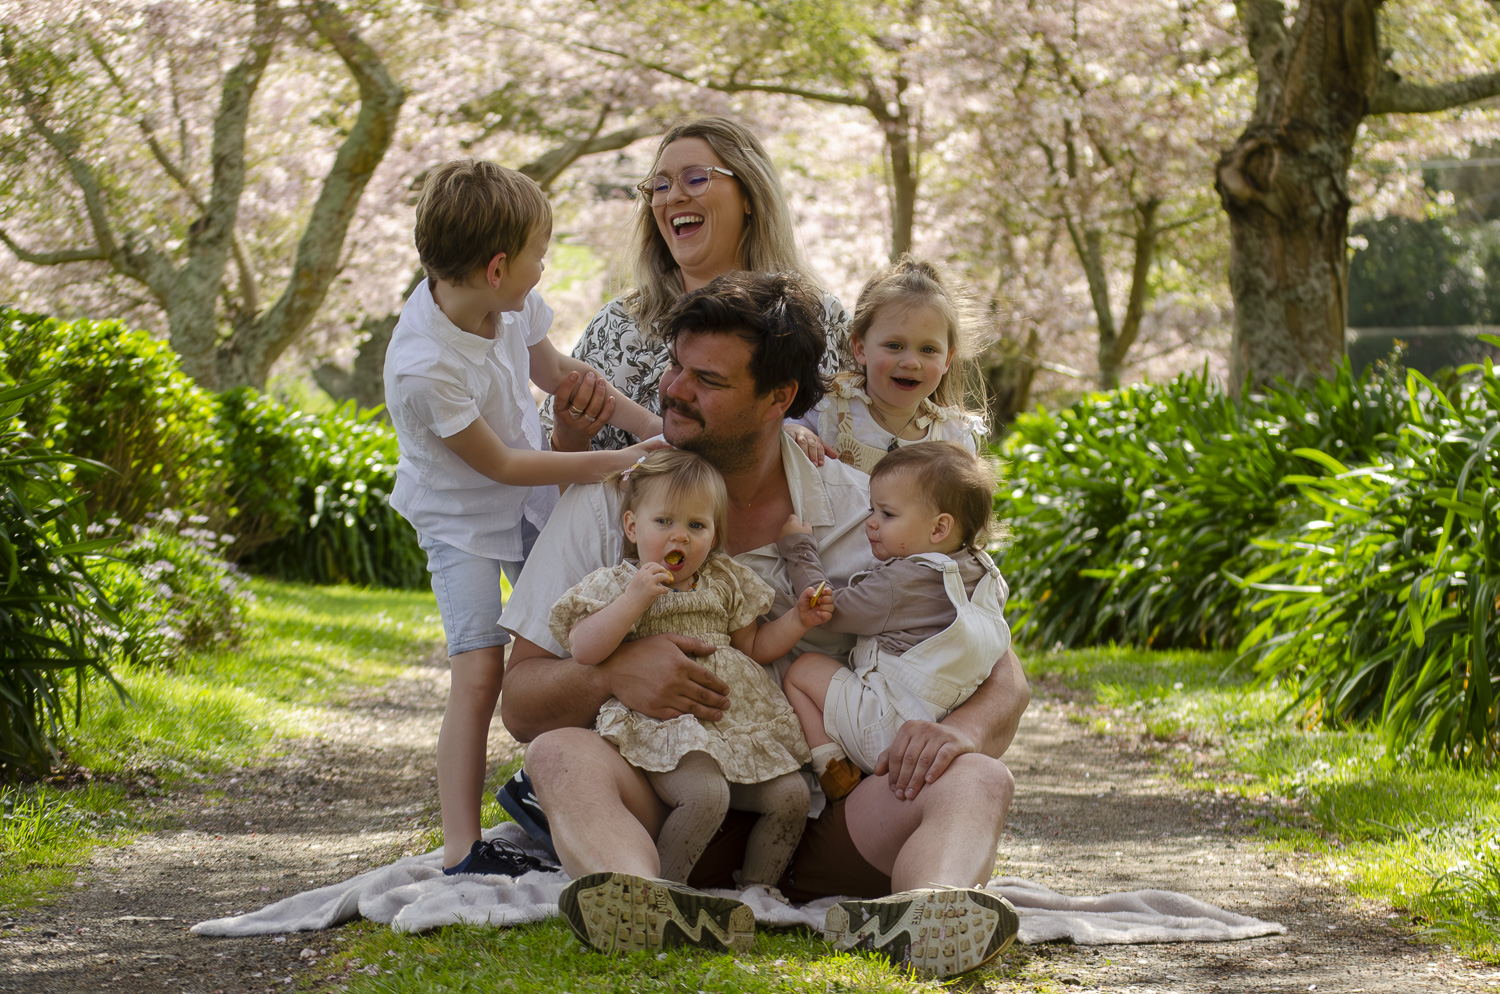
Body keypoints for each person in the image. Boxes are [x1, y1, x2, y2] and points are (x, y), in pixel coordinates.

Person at [498, 271, 1028, 978]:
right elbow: (523, 702)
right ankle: (647, 906)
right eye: (676, 367)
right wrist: (610, 672)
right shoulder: (614, 501)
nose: (675, 390)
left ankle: (926, 918)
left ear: (780, 397)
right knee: (561, 755)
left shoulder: (863, 509)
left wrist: (956, 737)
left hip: (823, 815)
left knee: (981, 779)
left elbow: (1007, 677)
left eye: (707, 380)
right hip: (665, 797)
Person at [383, 158, 662, 875]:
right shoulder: (424, 366)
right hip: (461, 522)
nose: (547, 267)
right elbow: (500, 466)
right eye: (541, 254)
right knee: (479, 671)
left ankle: (562, 790)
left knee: (577, 636)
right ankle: (460, 847)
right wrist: (611, 464)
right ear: (500, 266)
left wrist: (653, 431)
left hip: (527, 496)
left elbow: (564, 377)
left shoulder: (507, 305)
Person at [551, 448, 831, 893]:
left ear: (714, 534)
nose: (678, 537)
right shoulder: (619, 583)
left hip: (734, 728)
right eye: (664, 522)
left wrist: (798, 619)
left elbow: (755, 646)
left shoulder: (724, 580)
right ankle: (666, 894)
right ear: (631, 526)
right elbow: (585, 648)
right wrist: (634, 599)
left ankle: (758, 893)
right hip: (664, 728)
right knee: (706, 796)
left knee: (792, 797)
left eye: (695, 526)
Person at [546, 115, 850, 455]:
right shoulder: (617, 324)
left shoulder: (818, 314)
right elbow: (552, 465)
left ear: (749, 195)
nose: (673, 196)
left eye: (694, 179)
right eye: (660, 186)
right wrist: (569, 436)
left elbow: (876, 437)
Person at [778, 441, 1011, 804]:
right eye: (872, 509)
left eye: (887, 514)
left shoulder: (898, 584)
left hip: (884, 726)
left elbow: (821, 610)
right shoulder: (986, 575)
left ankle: (832, 766)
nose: (870, 522)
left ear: (938, 529)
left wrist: (800, 547)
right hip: (936, 726)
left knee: (802, 670)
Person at [792, 255, 986, 474]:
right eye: (894, 346)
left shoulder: (953, 440)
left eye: (928, 350)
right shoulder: (827, 412)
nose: (911, 362)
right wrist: (794, 432)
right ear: (860, 348)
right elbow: (779, 447)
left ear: (947, 360)